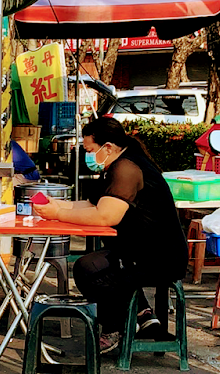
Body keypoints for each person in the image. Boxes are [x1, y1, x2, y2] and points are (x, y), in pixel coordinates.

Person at [32, 117, 187, 353]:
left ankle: (115, 327)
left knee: (89, 270)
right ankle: (142, 314)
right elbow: (91, 204)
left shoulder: (126, 168)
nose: (88, 157)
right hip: (137, 252)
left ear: (108, 147)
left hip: (160, 258)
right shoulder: (115, 166)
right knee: (91, 265)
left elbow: (106, 216)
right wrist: (57, 207)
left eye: (90, 150)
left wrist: (59, 213)